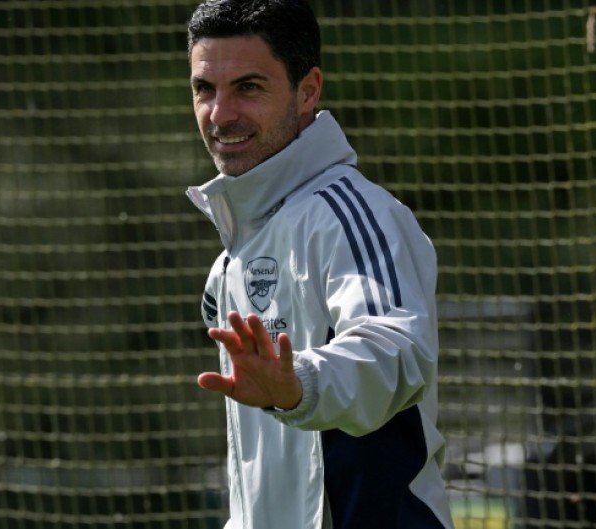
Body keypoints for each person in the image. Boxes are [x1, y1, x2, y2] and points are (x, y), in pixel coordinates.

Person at [184, 1, 456, 528]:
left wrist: (299, 386)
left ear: (308, 91)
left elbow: (395, 352)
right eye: (204, 89)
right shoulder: (229, 262)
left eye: (248, 87)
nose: (220, 114)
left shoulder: (354, 214)